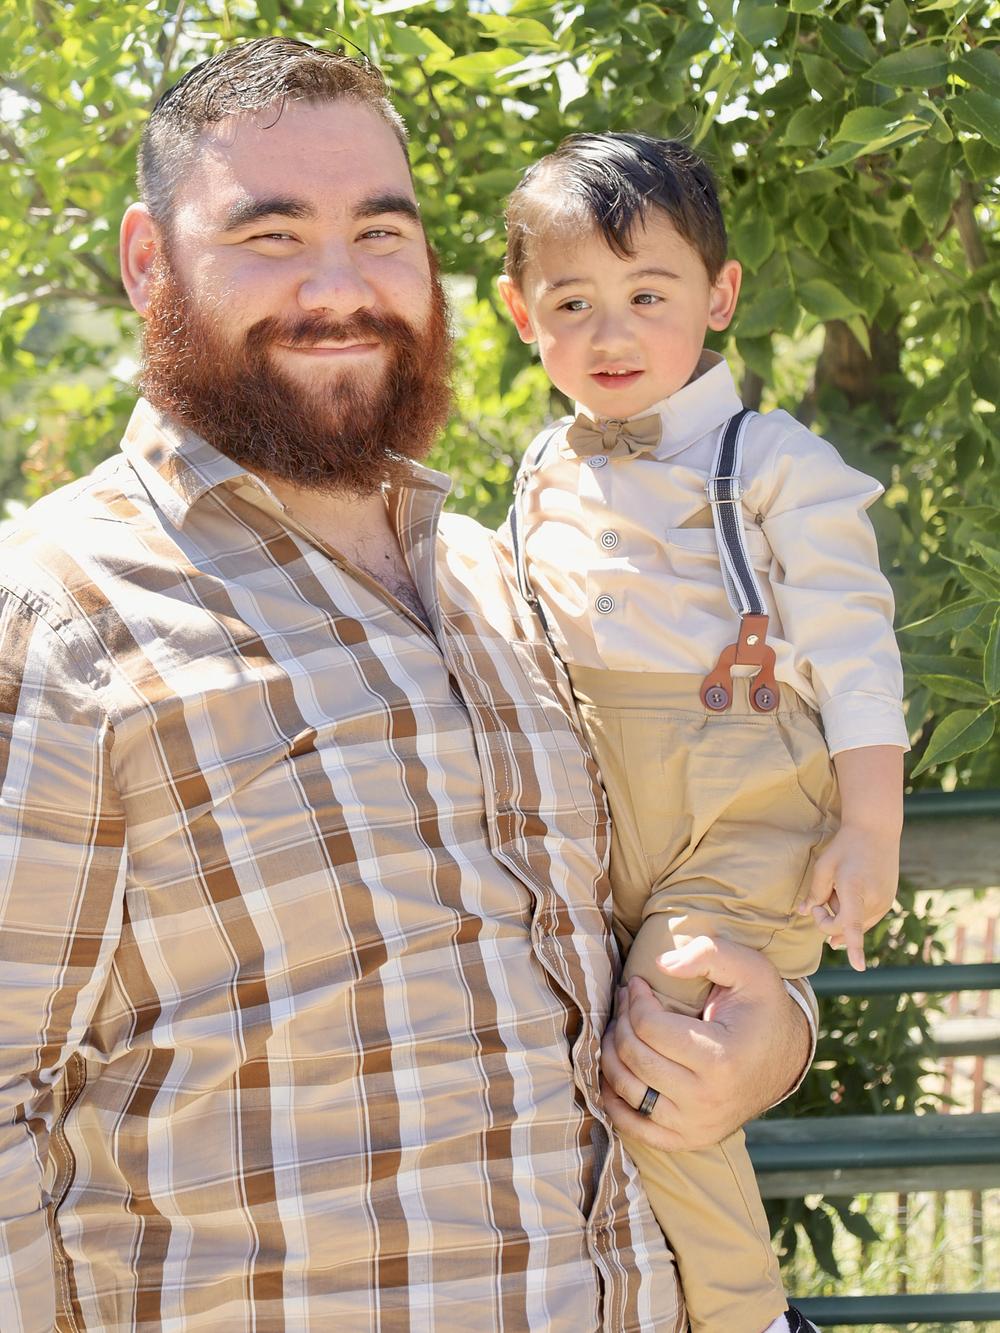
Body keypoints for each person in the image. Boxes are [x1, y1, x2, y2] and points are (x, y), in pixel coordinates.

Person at [0, 43, 816, 1332]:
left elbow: (667, 898)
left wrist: (771, 1036)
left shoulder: (509, 581)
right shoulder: (61, 616)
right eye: (271, 236)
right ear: (149, 262)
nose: (339, 287)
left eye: (381, 233)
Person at [497, 131, 908, 1333]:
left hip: (741, 822)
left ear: (718, 296)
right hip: (596, 826)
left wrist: (870, 829)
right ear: (522, 316)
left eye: (647, 295)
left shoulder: (769, 462)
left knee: (659, 1060)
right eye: (573, 302)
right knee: (570, 1057)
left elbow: (855, 651)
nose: (611, 332)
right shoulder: (538, 471)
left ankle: (750, 1317)